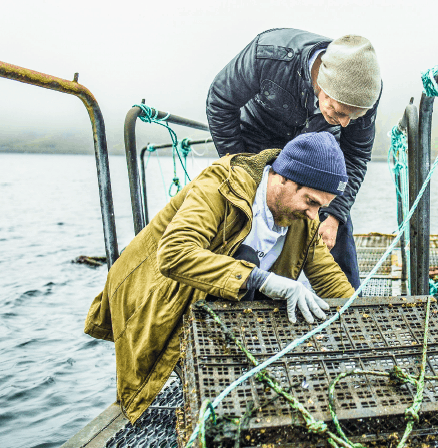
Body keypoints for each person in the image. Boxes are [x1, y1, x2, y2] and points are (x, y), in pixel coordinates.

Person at [83, 132, 355, 423]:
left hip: (222, 294)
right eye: (311, 201)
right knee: (247, 262)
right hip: (160, 291)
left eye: (321, 207)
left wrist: (362, 317)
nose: (315, 216)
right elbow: (174, 254)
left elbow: (330, 280)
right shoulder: (221, 186)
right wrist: (261, 280)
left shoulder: (303, 220)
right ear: (283, 178)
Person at [206, 28, 382, 289]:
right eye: (339, 110)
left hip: (316, 145)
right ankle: (238, 290)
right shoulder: (269, 55)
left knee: (335, 220)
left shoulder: (366, 90)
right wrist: (241, 168)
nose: (345, 124)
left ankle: (348, 308)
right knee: (246, 215)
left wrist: (334, 215)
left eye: (353, 117)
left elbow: (355, 156)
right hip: (257, 138)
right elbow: (220, 101)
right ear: (322, 81)